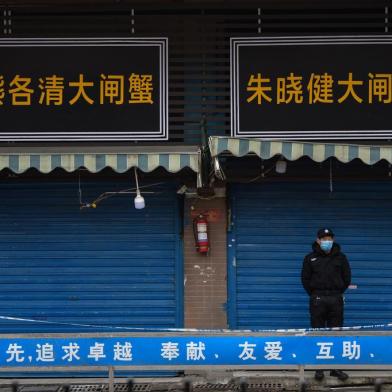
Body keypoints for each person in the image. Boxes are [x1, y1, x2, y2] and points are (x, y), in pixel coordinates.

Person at [301, 228, 351, 382]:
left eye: (329, 238)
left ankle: (335, 368)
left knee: (336, 334)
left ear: (333, 240)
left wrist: (336, 292)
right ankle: (319, 368)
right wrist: (315, 294)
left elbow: (347, 278)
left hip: (335, 298)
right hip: (317, 299)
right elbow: (305, 279)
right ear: (318, 240)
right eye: (324, 239)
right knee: (318, 333)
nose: (326, 241)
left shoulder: (341, 258)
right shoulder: (310, 258)